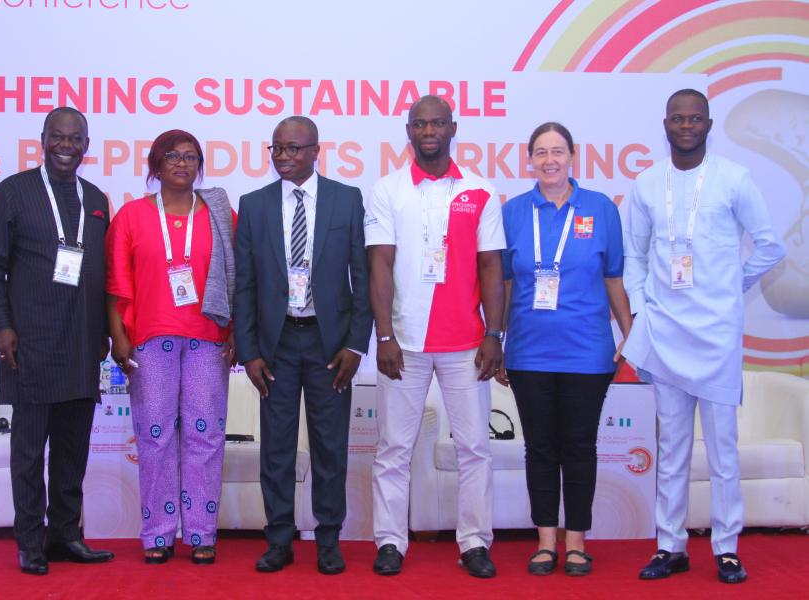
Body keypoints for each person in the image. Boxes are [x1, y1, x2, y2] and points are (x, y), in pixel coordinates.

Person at [623, 89, 785, 584]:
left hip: (716, 336)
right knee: (671, 450)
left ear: (709, 125)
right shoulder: (647, 183)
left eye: (695, 119)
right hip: (666, 333)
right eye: (678, 119)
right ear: (665, 125)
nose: (687, 126)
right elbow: (634, 256)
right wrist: (642, 309)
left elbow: (770, 246)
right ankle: (670, 545)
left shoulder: (734, 179)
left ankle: (726, 547)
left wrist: (731, 288)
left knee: (722, 452)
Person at [365, 95, 505, 578]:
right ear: (408, 131)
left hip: (467, 344)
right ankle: (390, 540)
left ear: (453, 128)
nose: (429, 132)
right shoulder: (388, 189)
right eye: (420, 124)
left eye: (438, 123)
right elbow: (379, 264)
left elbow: (491, 266)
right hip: (404, 344)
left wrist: (494, 333)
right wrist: (384, 336)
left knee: (475, 448)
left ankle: (474, 542)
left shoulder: (480, 190)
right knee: (393, 449)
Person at [234, 116, 372, 575]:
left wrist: (356, 344)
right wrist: (249, 351)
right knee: (275, 448)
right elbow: (245, 286)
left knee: (330, 446)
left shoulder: (346, 199)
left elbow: (362, 277)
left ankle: (328, 539)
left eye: (293, 148)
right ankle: (279, 539)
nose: (284, 156)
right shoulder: (254, 205)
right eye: (277, 148)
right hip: (275, 345)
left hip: (329, 344)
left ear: (316, 151)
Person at [0, 107, 114, 575]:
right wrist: (2, 325)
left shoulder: (95, 198)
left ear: (86, 145)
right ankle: (30, 541)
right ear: (42, 139)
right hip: (30, 342)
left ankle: (65, 535)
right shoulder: (12, 192)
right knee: (29, 451)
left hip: (82, 343)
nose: (66, 146)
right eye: (58, 137)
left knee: (73, 450)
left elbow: (102, 271)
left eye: (75, 139)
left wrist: (104, 331)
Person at [497, 122, 632, 577]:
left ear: (572, 156)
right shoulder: (514, 212)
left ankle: (576, 542)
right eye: (541, 152)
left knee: (578, 446)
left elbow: (613, 278)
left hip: (587, 353)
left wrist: (630, 335)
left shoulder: (600, 208)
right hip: (528, 353)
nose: (549, 160)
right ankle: (545, 542)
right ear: (529, 160)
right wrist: (498, 341)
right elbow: (504, 284)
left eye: (558, 151)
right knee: (539, 448)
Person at [106, 129, 236, 565]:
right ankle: (157, 535)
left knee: (205, 436)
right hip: (149, 339)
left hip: (208, 338)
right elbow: (116, 283)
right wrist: (118, 336)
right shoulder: (132, 215)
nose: (182, 164)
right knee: (155, 437)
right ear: (156, 166)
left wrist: (237, 330)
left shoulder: (220, 213)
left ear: (200, 166)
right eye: (173, 157)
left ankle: (202, 533)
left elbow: (239, 278)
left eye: (191, 156)